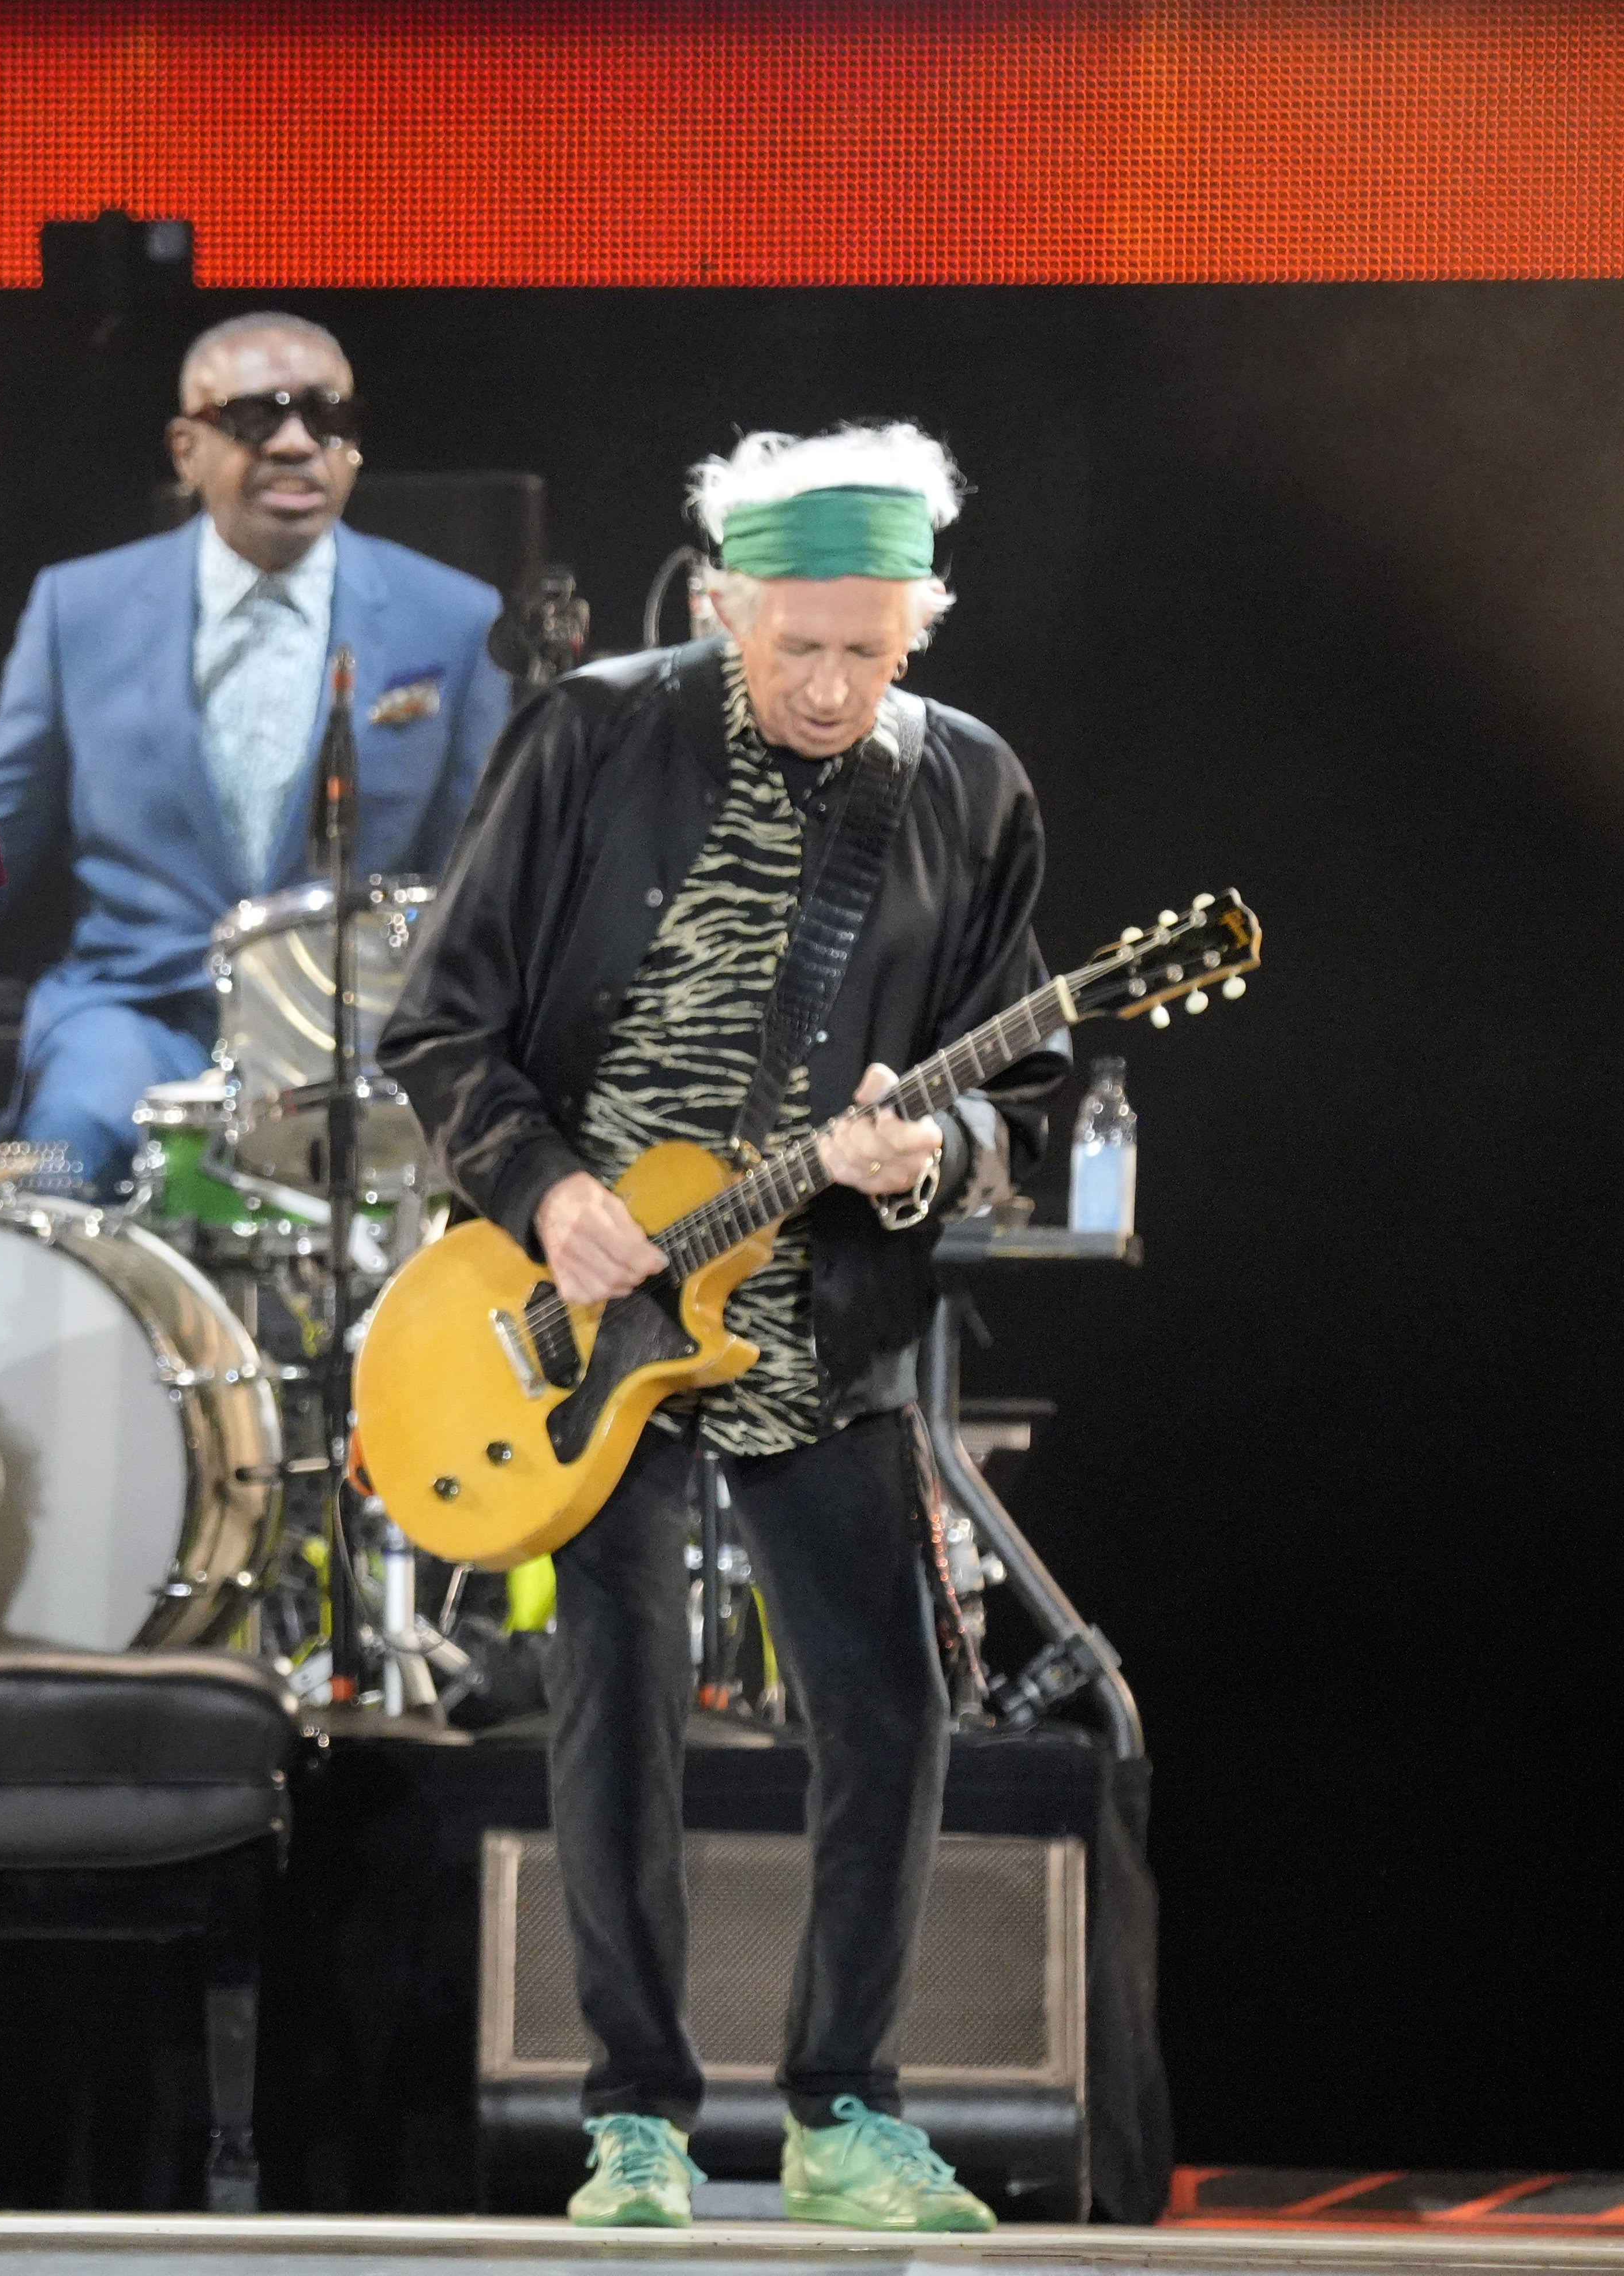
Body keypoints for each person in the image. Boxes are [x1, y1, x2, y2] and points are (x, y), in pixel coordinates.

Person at [378, 423, 1065, 2233]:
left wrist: (937, 1152)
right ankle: (635, 2121)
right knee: (617, 1712)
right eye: (796, 647)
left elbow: (1029, 1091)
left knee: (892, 1713)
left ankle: (848, 2106)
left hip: (815, 1309)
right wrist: (544, 1193)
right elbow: (439, 1024)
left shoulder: (971, 790)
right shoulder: (595, 733)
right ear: (724, 605)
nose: (833, 685)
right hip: (594, 1316)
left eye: (869, 646)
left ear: (919, 623)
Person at [0, 312, 508, 1192]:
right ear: (187, 450)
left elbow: (477, 877)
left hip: (358, 1019)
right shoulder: (81, 610)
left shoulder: (451, 619)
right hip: (136, 1011)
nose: (297, 444)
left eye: (328, 419)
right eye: (258, 418)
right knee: (61, 1152)